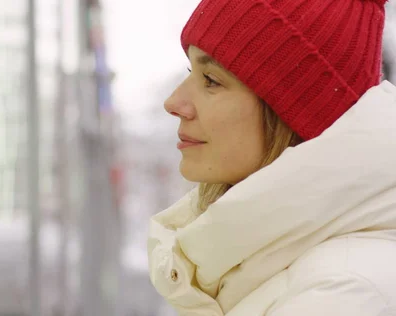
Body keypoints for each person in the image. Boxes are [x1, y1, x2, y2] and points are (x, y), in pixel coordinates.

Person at [148, 0, 396, 315]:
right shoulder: (258, 263)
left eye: (211, 80)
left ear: (292, 114)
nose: (174, 102)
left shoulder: (344, 293)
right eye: (190, 71)